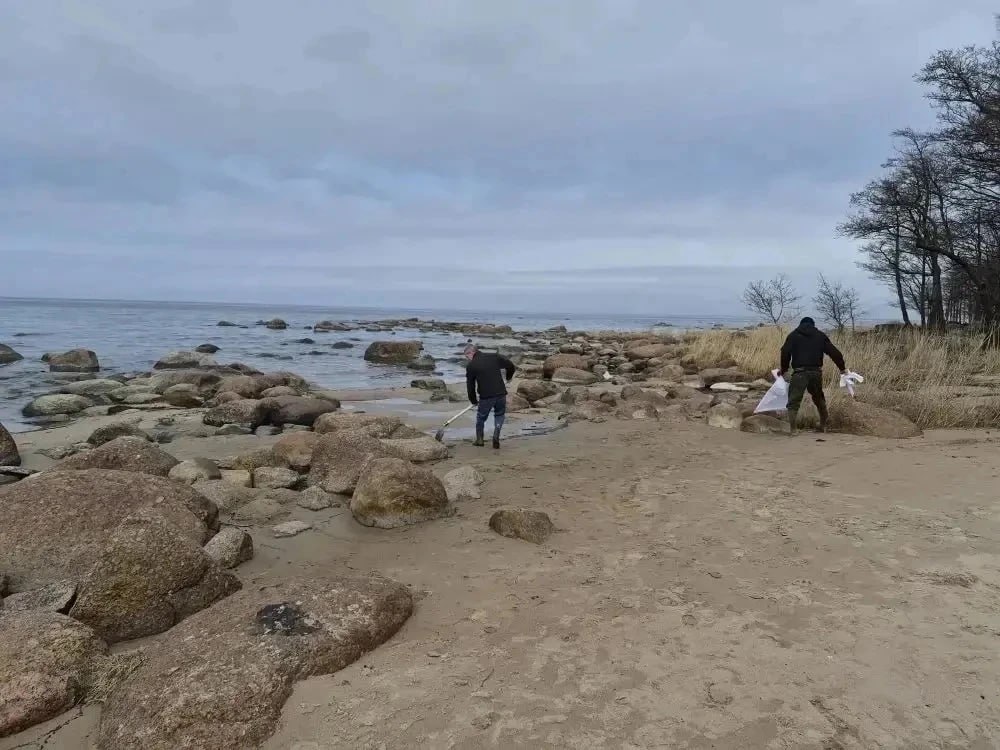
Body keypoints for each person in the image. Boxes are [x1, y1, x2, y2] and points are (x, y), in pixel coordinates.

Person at [778, 317, 847, 435]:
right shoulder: (820, 336)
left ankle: (793, 430)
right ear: (813, 325)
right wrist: (842, 368)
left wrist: (784, 369)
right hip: (816, 373)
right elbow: (835, 353)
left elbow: (785, 352)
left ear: (801, 324)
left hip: (799, 373)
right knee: (819, 398)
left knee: (794, 401)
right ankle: (823, 426)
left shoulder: (793, 336)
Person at [465, 344, 516, 449]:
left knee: (481, 417)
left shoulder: (471, 366)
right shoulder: (494, 357)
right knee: (499, 415)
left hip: (486, 396)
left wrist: (473, 400)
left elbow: (470, 385)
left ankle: (479, 440)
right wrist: (509, 377)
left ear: (471, 353)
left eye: (467, 356)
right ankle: (496, 436)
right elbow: (510, 365)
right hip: (501, 393)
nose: (467, 359)